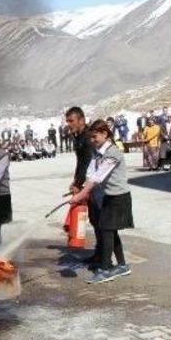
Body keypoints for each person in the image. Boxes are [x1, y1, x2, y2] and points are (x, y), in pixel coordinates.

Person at [69, 120, 133, 284]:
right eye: (91, 137)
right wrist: (79, 188)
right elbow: (91, 173)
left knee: (106, 231)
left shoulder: (113, 153)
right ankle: (122, 265)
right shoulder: (98, 152)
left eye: (95, 137)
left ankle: (105, 269)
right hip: (108, 197)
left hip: (118, 198)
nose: (92, 140)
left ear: (105, 134)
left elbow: (98, 177)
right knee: (111, 231)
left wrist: (81, 195)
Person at [65, 107, 100, 266]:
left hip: (95, 183)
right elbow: (80, 162)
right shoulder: (77, 136)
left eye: (71, 121)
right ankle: (99, 253)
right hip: (85, 181)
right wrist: (75, 181)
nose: (68, 124)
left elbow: (87, 163)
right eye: (67, 121)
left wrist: (79, 184)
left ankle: (103, 257)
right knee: (94, 219)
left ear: (81, 120)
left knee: (99, 221)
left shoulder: (87, 137)